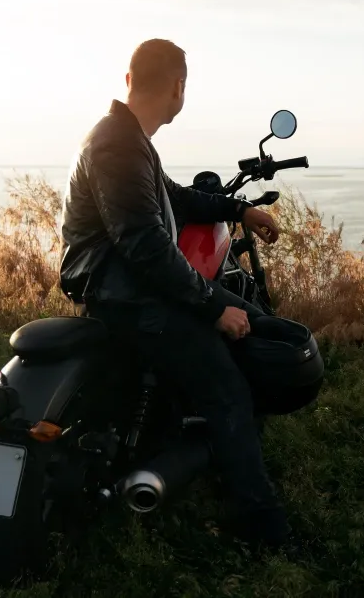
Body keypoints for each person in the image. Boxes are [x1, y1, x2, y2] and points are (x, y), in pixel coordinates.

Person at [59, 38, 293, 546]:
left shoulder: (127, 137)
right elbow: (145, 247)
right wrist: (213, 307)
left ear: (128, 80)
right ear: (178, 87)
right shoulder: (118, 144)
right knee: (226, 386)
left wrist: (238, 210)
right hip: (129, 297)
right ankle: (263, 526)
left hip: (128, 289)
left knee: (250, 335)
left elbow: (175, 197)